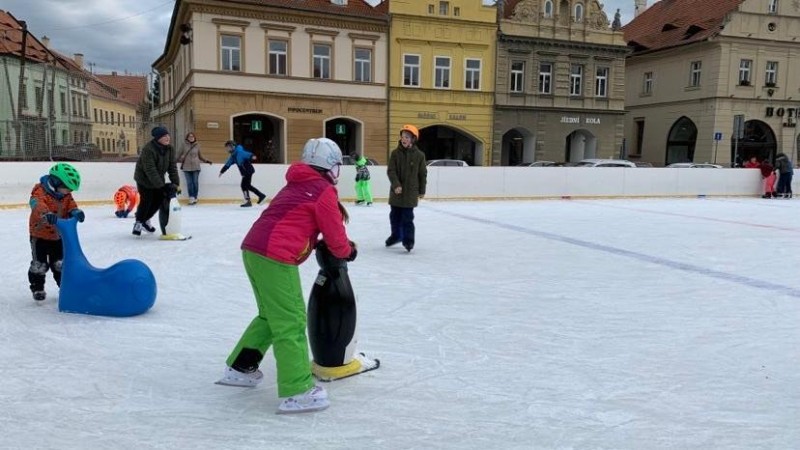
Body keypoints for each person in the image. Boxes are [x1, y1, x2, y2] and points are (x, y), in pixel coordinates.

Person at [219, 137, 357, 415]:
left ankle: (240, 367)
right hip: (275, 257)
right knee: (291, 320)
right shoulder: (322, 190)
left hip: (253, 250)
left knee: (271, 316)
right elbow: (334, 235)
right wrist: (347, 251)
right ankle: (297, 390)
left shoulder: (296, 183)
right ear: (331, 167)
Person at [28, 163, 85, 301]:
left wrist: (75, 211)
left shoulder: (66, 195)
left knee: (60, 263)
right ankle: (37, 288)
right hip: (39, 235)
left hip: (58, 235)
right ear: (56, 182)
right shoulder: (39, 192)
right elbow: (36, 204)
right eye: (67, 188)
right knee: (39, 265)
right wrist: (46, 213)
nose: (68, 192)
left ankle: (64, 287)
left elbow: (71, 204)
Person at [132, 126, 181, 236]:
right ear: (158, 138)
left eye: (168, 135)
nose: (167, 138)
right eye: (164, 136)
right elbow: (150, 169)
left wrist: (176, 183)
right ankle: (139, 223)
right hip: (144, 179)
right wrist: (161, 185)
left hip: (157, 178)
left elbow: (172, 167)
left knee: (159, 200)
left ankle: (145, 220)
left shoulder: (170, 149)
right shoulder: (148, 149)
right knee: (147, 200)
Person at [386, 124, 427, 252]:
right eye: (403, 136)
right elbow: (391, 171)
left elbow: (422, 174)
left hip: (410, 194)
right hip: (396, 193)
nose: (404, 139)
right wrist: (396, 185)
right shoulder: (395, 154)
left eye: (407, 137)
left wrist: (422, 191)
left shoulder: (419, 155)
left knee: (407, 218)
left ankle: (408, 241)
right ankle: (396, 235)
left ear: (413, 139)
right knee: (394, 216)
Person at [219, 140, 266, 207]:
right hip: (245, 173)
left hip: (248, 171)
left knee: (245, 185)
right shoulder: (233, 156)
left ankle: (256, 198)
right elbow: (228, 164)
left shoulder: (240, 152)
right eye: (227, 148)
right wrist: (222, 171)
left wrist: (253, 156)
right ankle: (257, 197)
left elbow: (248, 154)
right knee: (246, 185)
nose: (228, 149)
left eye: (229, 147)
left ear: (233, 146)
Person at [178, 132, 212, 205]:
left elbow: (200, 156)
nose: (191, 137)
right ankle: (191, 198)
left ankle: (195, 197)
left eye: (192, 136)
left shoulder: (197, 145)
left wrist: (206, 161)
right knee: (189, 183)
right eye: (190, 136)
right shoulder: (183, 145)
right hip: (186, 167)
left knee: (195, 183)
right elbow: (178, 154)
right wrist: (173, 161)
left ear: (194, 137)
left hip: (196, 167)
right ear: (187, 138)